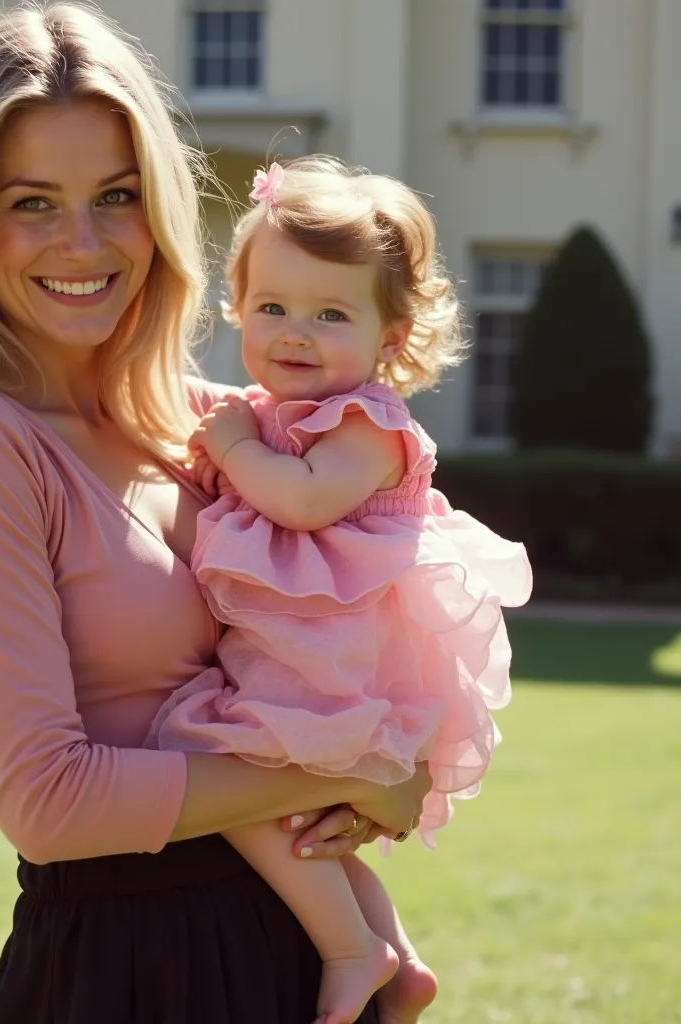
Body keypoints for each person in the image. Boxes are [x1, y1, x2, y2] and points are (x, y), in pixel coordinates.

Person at [0, 6, 431, 1023]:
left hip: (295, 951)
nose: (82, 242)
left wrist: (404, 766)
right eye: (32, 203)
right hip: (134, 969)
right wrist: (343, 770)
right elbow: (50, 805)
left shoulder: (205, 422)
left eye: (117, 196)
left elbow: (374, 591)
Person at [146, 157, 533, 1024]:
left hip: (334, 651)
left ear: (390, 338)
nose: (295, 332)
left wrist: (238, 449)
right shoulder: (267, 408)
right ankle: (399, 958)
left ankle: (352, 949)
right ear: (237, 307)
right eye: (274, 307)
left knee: (220, 768)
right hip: (301, 647)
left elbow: (305, 498)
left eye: (331, 314)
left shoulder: (367, 423)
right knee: (305, 819)